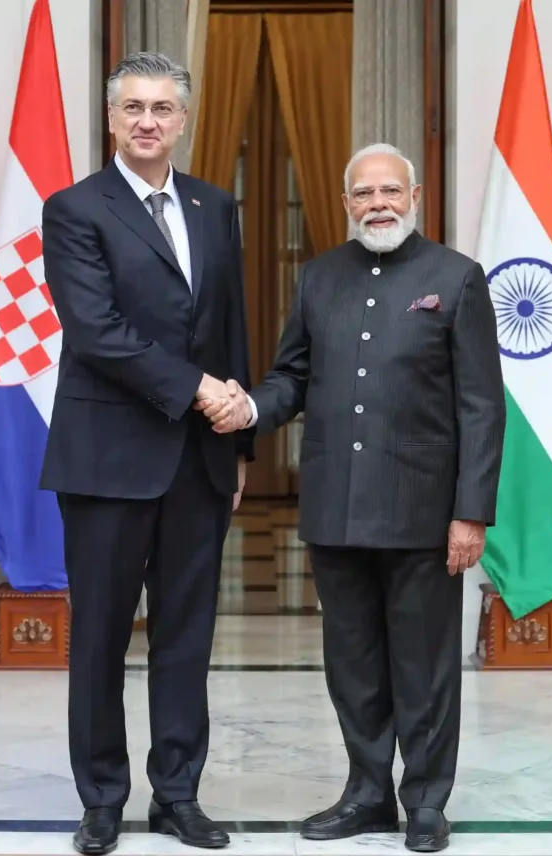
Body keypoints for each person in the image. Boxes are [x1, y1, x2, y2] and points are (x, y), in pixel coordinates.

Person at [199, 143, 506, 852]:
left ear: (416, 195)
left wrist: (471, 512)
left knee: (424, 666)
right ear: (344, 205)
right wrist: (248, 408)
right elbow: (291, 378)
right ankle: (367, 793)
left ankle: (425, 802)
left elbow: (483, 409)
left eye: (390, 191)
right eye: (364, 193)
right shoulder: (317, 279)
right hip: (335, 511)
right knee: (354, 664)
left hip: (427, 515)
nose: (378, 203)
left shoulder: (456, 280)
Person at [39, 52, 253, 855]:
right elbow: (96, 332)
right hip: (106, 459)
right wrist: (200, 387)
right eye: (133, 107)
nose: (148, 121)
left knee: (187, 639)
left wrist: (242, 445)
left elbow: (229, 324)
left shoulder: (214, 206)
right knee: (97, 636)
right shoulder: (74, 209)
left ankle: (177, 795)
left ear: (184, 120)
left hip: (199, 462)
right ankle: (102, 799)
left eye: (163, 108)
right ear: (111, 118)